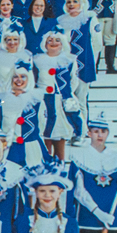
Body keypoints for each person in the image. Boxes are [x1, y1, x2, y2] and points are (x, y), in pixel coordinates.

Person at [35, 31, 83, 160]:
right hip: (44, 102)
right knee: (44, 133)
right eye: (50, 40)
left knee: (59, 134)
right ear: (44, 44)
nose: (53, 43)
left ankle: (59, 167)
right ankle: (45, 165)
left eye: (57, 40)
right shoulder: (37, 60)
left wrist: (65, 94)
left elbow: (74, 81)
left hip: (60, 101)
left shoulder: (69, 61)